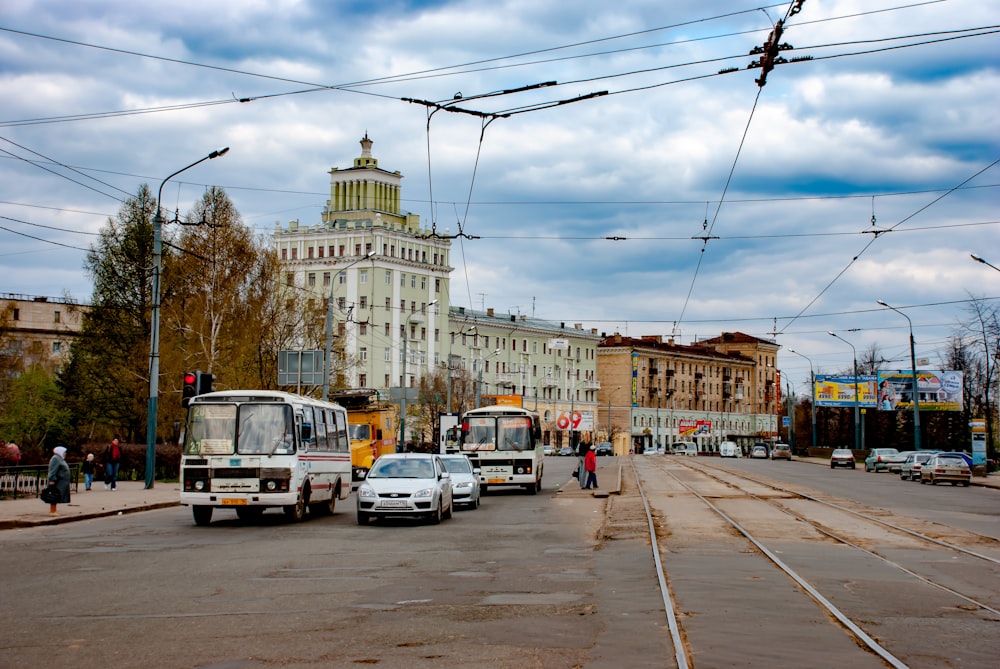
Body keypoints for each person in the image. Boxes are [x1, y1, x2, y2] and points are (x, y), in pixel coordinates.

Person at [47, 446, 71, 515]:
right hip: (57, 481)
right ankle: (52, 511)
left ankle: (54, 510)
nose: (65, 453)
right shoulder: (56, 459)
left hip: (61, 481)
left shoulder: (60, 459)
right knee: (54, 495)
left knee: (57, 495)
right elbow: (52, 470)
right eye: (64, 452)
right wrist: (52, 479)